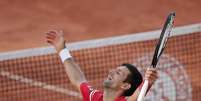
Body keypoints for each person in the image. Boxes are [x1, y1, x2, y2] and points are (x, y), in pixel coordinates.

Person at [46, 30, 158, 101]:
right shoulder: (94, 97)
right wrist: (62, 51)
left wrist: (148, 81)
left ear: (125, 86)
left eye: (118, 72)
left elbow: (136, 96)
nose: (111, 71)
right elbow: (78, 80)